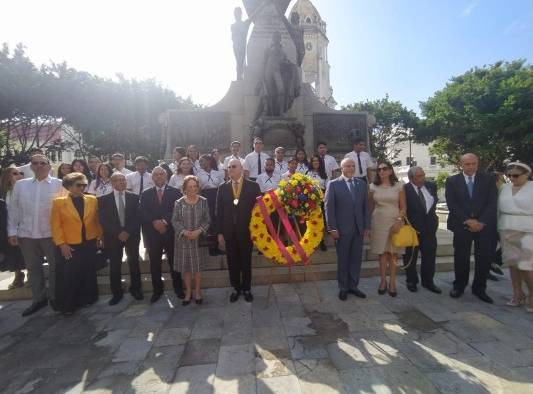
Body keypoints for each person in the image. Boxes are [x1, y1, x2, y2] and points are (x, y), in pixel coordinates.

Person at [8, 155, 65, 316]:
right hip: (27, 235)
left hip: (51, 234)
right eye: (35, 163)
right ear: (31, 166)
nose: (39, 166)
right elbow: (14, 209)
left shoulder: (59, 184)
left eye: (42, 163)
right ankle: (38, 299)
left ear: (49, 166)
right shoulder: (21, 185)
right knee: (33, 269)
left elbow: (64, 210)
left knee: (55, 267)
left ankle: (55, 297)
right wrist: (12, 231)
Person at [445, 153, 498, 303]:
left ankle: (479, 288)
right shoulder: (452, 181)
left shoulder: (488, 179)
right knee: (461, 257)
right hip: (462, 226)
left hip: (484, 226)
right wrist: (468, 220)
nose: (471, 167)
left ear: (477, 163)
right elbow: (452, 204)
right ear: (461, 164)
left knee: (484, 258)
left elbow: (492, 203)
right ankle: (459, 286)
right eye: (467, 164)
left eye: (474, 163)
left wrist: (481, 222)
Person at [51, 172, 102, 315]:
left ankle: (88, 299)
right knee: (69, 275)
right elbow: (56, 226)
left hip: (89, 242)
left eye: (84, 185)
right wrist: (62, 244)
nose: (82, 187)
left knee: (88, 272)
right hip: (70, 245)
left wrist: (99, 236)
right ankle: (69, 304)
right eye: (78, 185)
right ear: (69, 187)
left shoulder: (92, 199)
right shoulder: (59, 202)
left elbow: (97, 220)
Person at [216, 159, 261, 302]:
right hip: (229, 232)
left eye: (233, 167)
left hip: (247, 231)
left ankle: (247, 288)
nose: (230, 169)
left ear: (241, 168)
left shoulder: (253, 186)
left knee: (246, 261)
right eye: (228, 167)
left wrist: (257, 230)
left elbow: (259, 210)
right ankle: (236, 288)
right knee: (232, 262)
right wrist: (219, 233)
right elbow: (219, 212)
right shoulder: (222, 187)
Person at [325, 158, 370, 300]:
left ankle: (353, 286)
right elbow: (329, 208)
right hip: (342, 230)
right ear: (342, 168)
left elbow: (366, 207)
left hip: (358, 229)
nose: (351, 168)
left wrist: (367, 226)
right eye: (347, 166)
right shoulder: (333, 184)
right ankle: (343, 287)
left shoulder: (362, 184)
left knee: (356, 259)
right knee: (343, 259)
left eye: (353, 166)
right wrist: (332, 228)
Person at [140, 166, 185, 303]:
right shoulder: (146, 193)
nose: (159, 176)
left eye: (161, 174)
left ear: (166, 176)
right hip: (153, 234)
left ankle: (178, 288)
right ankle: (157, 290)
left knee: (174, 262)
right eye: (156, 175)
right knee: (154, 263)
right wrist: (155, 222)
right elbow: (142, 211)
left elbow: (177, 210)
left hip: (170, 232)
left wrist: (164, 221)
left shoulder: (176, 192)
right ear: (152, 177)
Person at [98, 172, 143, 305]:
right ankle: (116, 293)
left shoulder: (134, 197)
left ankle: (136, 289)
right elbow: (103, 219)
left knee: (134, 263)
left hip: (132, 236)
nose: (122, 182)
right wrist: (118, 233)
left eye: (123, 179)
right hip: (113, 237)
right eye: (118, 180)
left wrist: (127, 231)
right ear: (112, 183)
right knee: (115, 265)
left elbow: (138, 216)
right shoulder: (103, 199)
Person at [498, 161, 533, 312]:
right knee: (512, 263)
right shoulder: (504, 188)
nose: (512, 178)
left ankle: (532, 295)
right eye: (509, 175)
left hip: (528, 230)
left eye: (516, 175)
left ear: (526, 174)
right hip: (506, 228)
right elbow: (498, 210)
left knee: (526, 265)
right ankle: (518, 293)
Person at [369, 161, 406, 297]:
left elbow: (403, 207)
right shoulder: (373, 186)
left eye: (385, 169)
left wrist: (398, 221)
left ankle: (393, 282)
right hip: (378, 222)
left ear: (390, 170)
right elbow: (370, 207)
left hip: (394, 220)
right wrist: (368, 225)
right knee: (382, 253)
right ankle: (383, 281)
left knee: (393, 254)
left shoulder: (399, 186)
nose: (381, 171)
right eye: (379, 169)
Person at [172, 176, 211, 306]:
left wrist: (199, 231)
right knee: (187, 269)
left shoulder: (203, 201)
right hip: (183, 241)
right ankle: (188, 292)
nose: (192, 189)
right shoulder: (178, 202)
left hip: (198, 240)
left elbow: (207, 219)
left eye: (195, 186)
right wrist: (184, 232)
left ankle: (198, 291)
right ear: (184, 188)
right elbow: (174, 220)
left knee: (197, 268)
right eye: (189, 187)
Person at [402, 167, 441, 293]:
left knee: (429, 256)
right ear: (411, 178)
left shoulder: (431, 186)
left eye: (423, 175)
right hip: (412, 229)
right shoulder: (405, 189)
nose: (422, 178)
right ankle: (411, 281)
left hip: (430, 228)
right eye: (419, 176)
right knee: (410, 256)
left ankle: (428, 281)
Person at [0, 168, 26, 289]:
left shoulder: (25, 189)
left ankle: (32, 277)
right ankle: (18, 274)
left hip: (24, 225)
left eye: (20, 173)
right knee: (13, 252)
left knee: (28, 252)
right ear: (7, 177)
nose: (19, 175)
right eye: (15, 173)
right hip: (7, 226)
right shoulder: (4, 192)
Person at [197, 154, 225, 256]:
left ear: (209, 161)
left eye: (202, 161)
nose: (200, 163)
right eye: (199, 162)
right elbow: (198, 189)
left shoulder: (217, 173)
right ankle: (211, 247)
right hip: (205, 197)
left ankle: (218, 246)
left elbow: (222, 186)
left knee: (217, 220)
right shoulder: (199, 174)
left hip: (217, 197)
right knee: (208, 221)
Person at [307, 155, 329, 251]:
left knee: (322, 221)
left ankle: (321, 241)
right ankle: (313, 241)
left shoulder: (324, 174)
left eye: (317, 161)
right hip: (311, 199)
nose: (316, 162)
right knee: (312, 221)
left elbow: (328, 187)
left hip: (322, 199)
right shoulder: (308, 173)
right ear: (311, 163)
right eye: (314, 161)